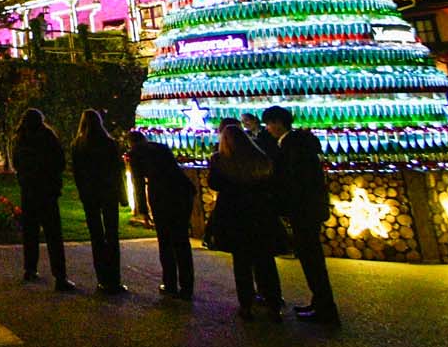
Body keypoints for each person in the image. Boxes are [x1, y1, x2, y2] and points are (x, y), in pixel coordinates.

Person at [262, 105, 340, 325]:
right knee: (311, 259)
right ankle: (320, 302)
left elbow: (294, 180)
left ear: (278, 123)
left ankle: (325, 308)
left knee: (311, 259)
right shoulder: (296, 144)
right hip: (308, 209)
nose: (267, 129)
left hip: (303, 210)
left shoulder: (293, 147)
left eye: (269, 124)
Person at [207, 123, 287, 322]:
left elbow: (214, 184)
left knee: (242, 263)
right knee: (265, 261)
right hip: (260, 214)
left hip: (235, 216)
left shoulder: (220, 160)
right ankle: (273, 304)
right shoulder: (259, 158)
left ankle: (246, 305)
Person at [12, 108, 77, 292]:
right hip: (47, 192)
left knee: (30, 232)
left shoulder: (21, 139)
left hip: (28, 191)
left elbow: (17, 163)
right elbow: (59, 161)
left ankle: (30, 268)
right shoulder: (48, 137)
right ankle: (60, 276)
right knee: (53, 234)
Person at [127, 131, 195, 299]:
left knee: (165, 241)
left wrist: (142, 210)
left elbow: (138, 183)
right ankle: (187, 286)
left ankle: (170, 283)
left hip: (161, 195)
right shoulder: (161, 147)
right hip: (182, 191)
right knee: (181, 240)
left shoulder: (135, 154)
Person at [71, 109, 126, 294]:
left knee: (96, 236)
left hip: (90, 195)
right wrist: (122, 195)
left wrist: (82, 191)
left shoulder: (78, 145)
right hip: (108, 193)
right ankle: (115, 279)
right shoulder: (109, 143)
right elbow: (117, 171)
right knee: (112, 234)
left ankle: (102, 278)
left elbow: (77, 173)